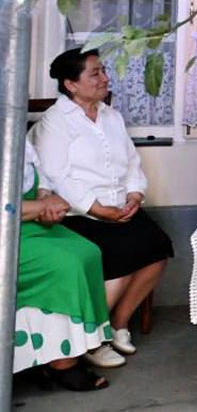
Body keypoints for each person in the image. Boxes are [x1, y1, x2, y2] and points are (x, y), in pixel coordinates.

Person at [29, 47, 173, 364]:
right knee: (118, 259)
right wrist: (96, 209)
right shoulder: (56, 121)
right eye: (95, 73)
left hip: (120, 207)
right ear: (71, 84)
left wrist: (135, 194)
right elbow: (57, 176)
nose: (105, 78)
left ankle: (117, 324)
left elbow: (132, 163)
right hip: (80, 214)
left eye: (104, 70)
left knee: (158, 248)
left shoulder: (111, 116)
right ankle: (92, 340)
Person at [14, 139, 114, 391]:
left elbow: (39, 175)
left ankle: (55, 352)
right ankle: (61, 362)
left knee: (88, 252)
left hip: (25, 223)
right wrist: (39, 207)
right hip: (7, 231)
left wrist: (46, 198)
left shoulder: (11, 126)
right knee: (64, 264)